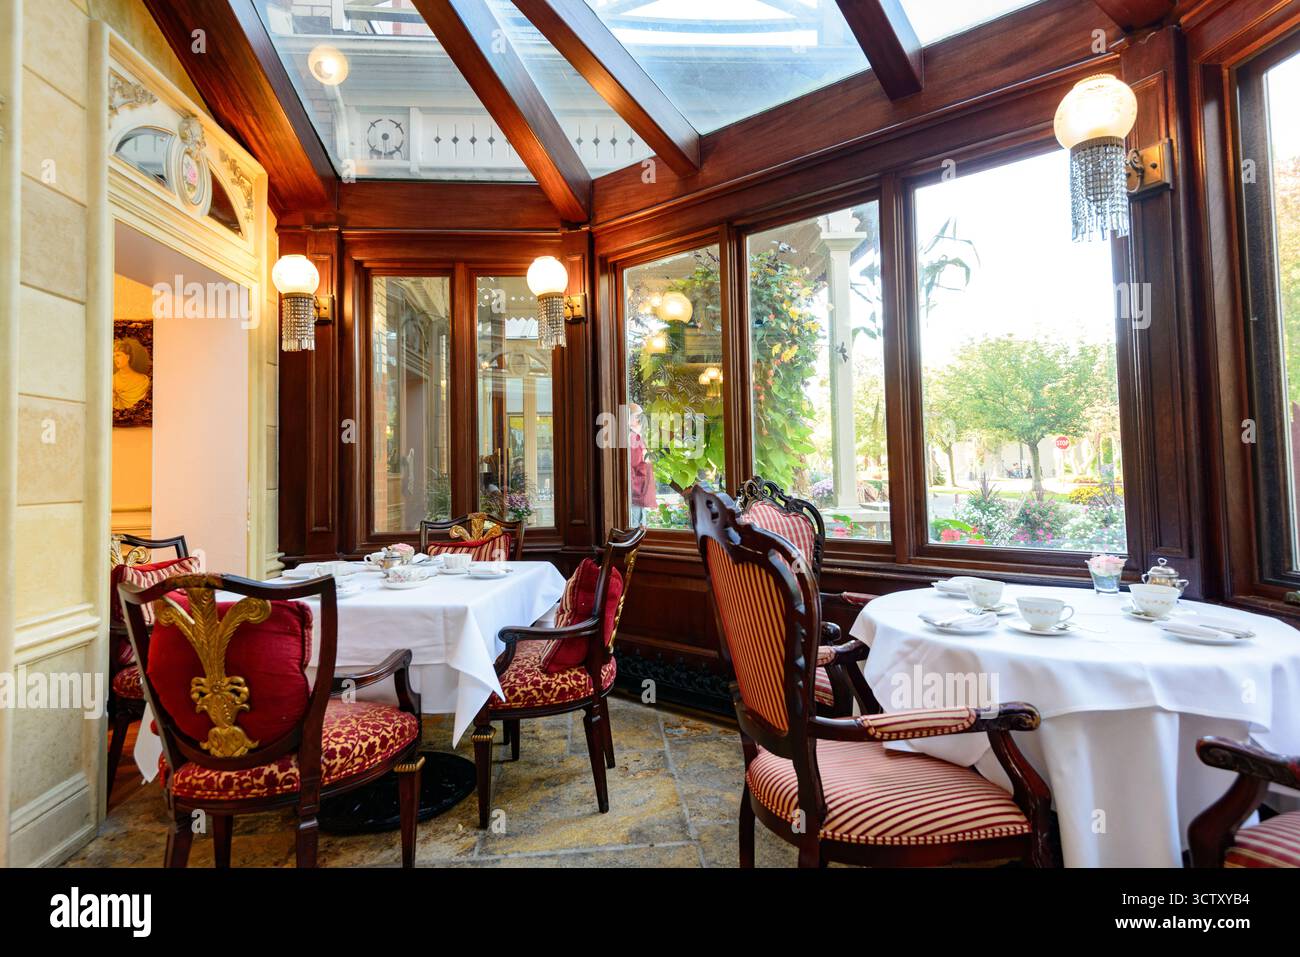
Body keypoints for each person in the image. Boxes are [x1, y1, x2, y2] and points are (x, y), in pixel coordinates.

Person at [628, 402, 655, 526]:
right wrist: (636, 493)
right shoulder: (633, 438)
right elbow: (632, 469)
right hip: (635, 499)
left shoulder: (637, 437)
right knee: (635, 534)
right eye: (637, 416)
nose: (640, 419)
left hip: (638, 498)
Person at [112, 337, 151, 411]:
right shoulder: (112, 380)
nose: (115, 359)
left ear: (127, 357)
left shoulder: (143, 380)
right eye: (114, 356)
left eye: (118, 355)